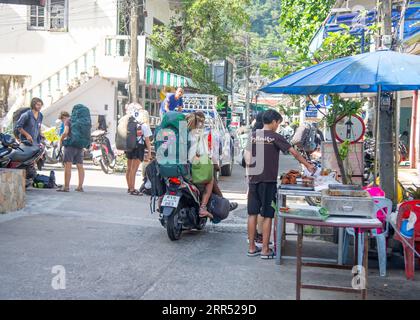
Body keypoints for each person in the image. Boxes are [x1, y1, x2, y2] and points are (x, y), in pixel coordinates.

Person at [245, 110, 315, 259]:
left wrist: (249, 177)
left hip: (253, 180)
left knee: (252, 213)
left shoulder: (252, 136)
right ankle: (265, 249)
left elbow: (247, 158)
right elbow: (294, 153)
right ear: (274, 122)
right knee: (268, 214)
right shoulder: (275, 136)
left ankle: (251, 248)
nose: (278, 126)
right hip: (268, 181)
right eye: (278, 123)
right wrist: (308, 165)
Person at [186, 112, 238, 220]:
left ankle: (225, 203)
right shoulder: (197, 135)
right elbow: (205, 154)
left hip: (180, 170)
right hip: (191, 172)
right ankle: (203, 207)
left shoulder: (182, 133)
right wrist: (215, 164)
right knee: (210, 180)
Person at [125, 103, 152, 196]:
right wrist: (149, 153)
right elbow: (147, 141)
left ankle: (129, 187)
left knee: (129, 169)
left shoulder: (133, 124)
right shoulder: (145, 126)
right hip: (138, 148)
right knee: (134, 169)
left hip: (129, 147)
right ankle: (132, 189)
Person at [57, 108, 85, 193]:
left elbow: (65, 132)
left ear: (63, 117)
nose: (62, 122)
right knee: (80, 166)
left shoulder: (67, 121)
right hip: (79, 146)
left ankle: (66, 187)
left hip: (70, 146)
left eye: (62, 120)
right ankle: (80, 187)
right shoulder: (78, 121)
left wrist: (61, 139)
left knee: (68, 166)